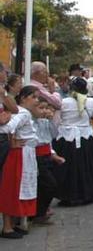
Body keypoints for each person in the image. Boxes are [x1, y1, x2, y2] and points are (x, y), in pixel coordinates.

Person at [53, 77, 93, 206]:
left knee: (68, 168)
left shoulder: (63, 102)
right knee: (86, 166)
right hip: (85, 137)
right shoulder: (91, 102)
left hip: (67, 138)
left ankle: (67, 195)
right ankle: (87, 194)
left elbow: (56, 121)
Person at [0, 86, 40, 239]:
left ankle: (14, 224)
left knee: (18, 189)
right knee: (14, 189)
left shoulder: (25, 113)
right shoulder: (23, 113)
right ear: (23, 98)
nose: (36, 100)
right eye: (34, 97)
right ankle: (8, 226)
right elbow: (8, 128)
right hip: (19, 154)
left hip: (25, 153)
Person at [31, 98, 61, 225]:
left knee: (47, 185)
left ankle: (41, 212)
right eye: (41, 108)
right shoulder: (31, 122)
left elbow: (54, 135)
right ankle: (39, 213)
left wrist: (51, 119)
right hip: (37, 155)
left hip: (47, 155)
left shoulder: (45, 121)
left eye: (45, 108)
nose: (44, 111)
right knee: (49, 184)